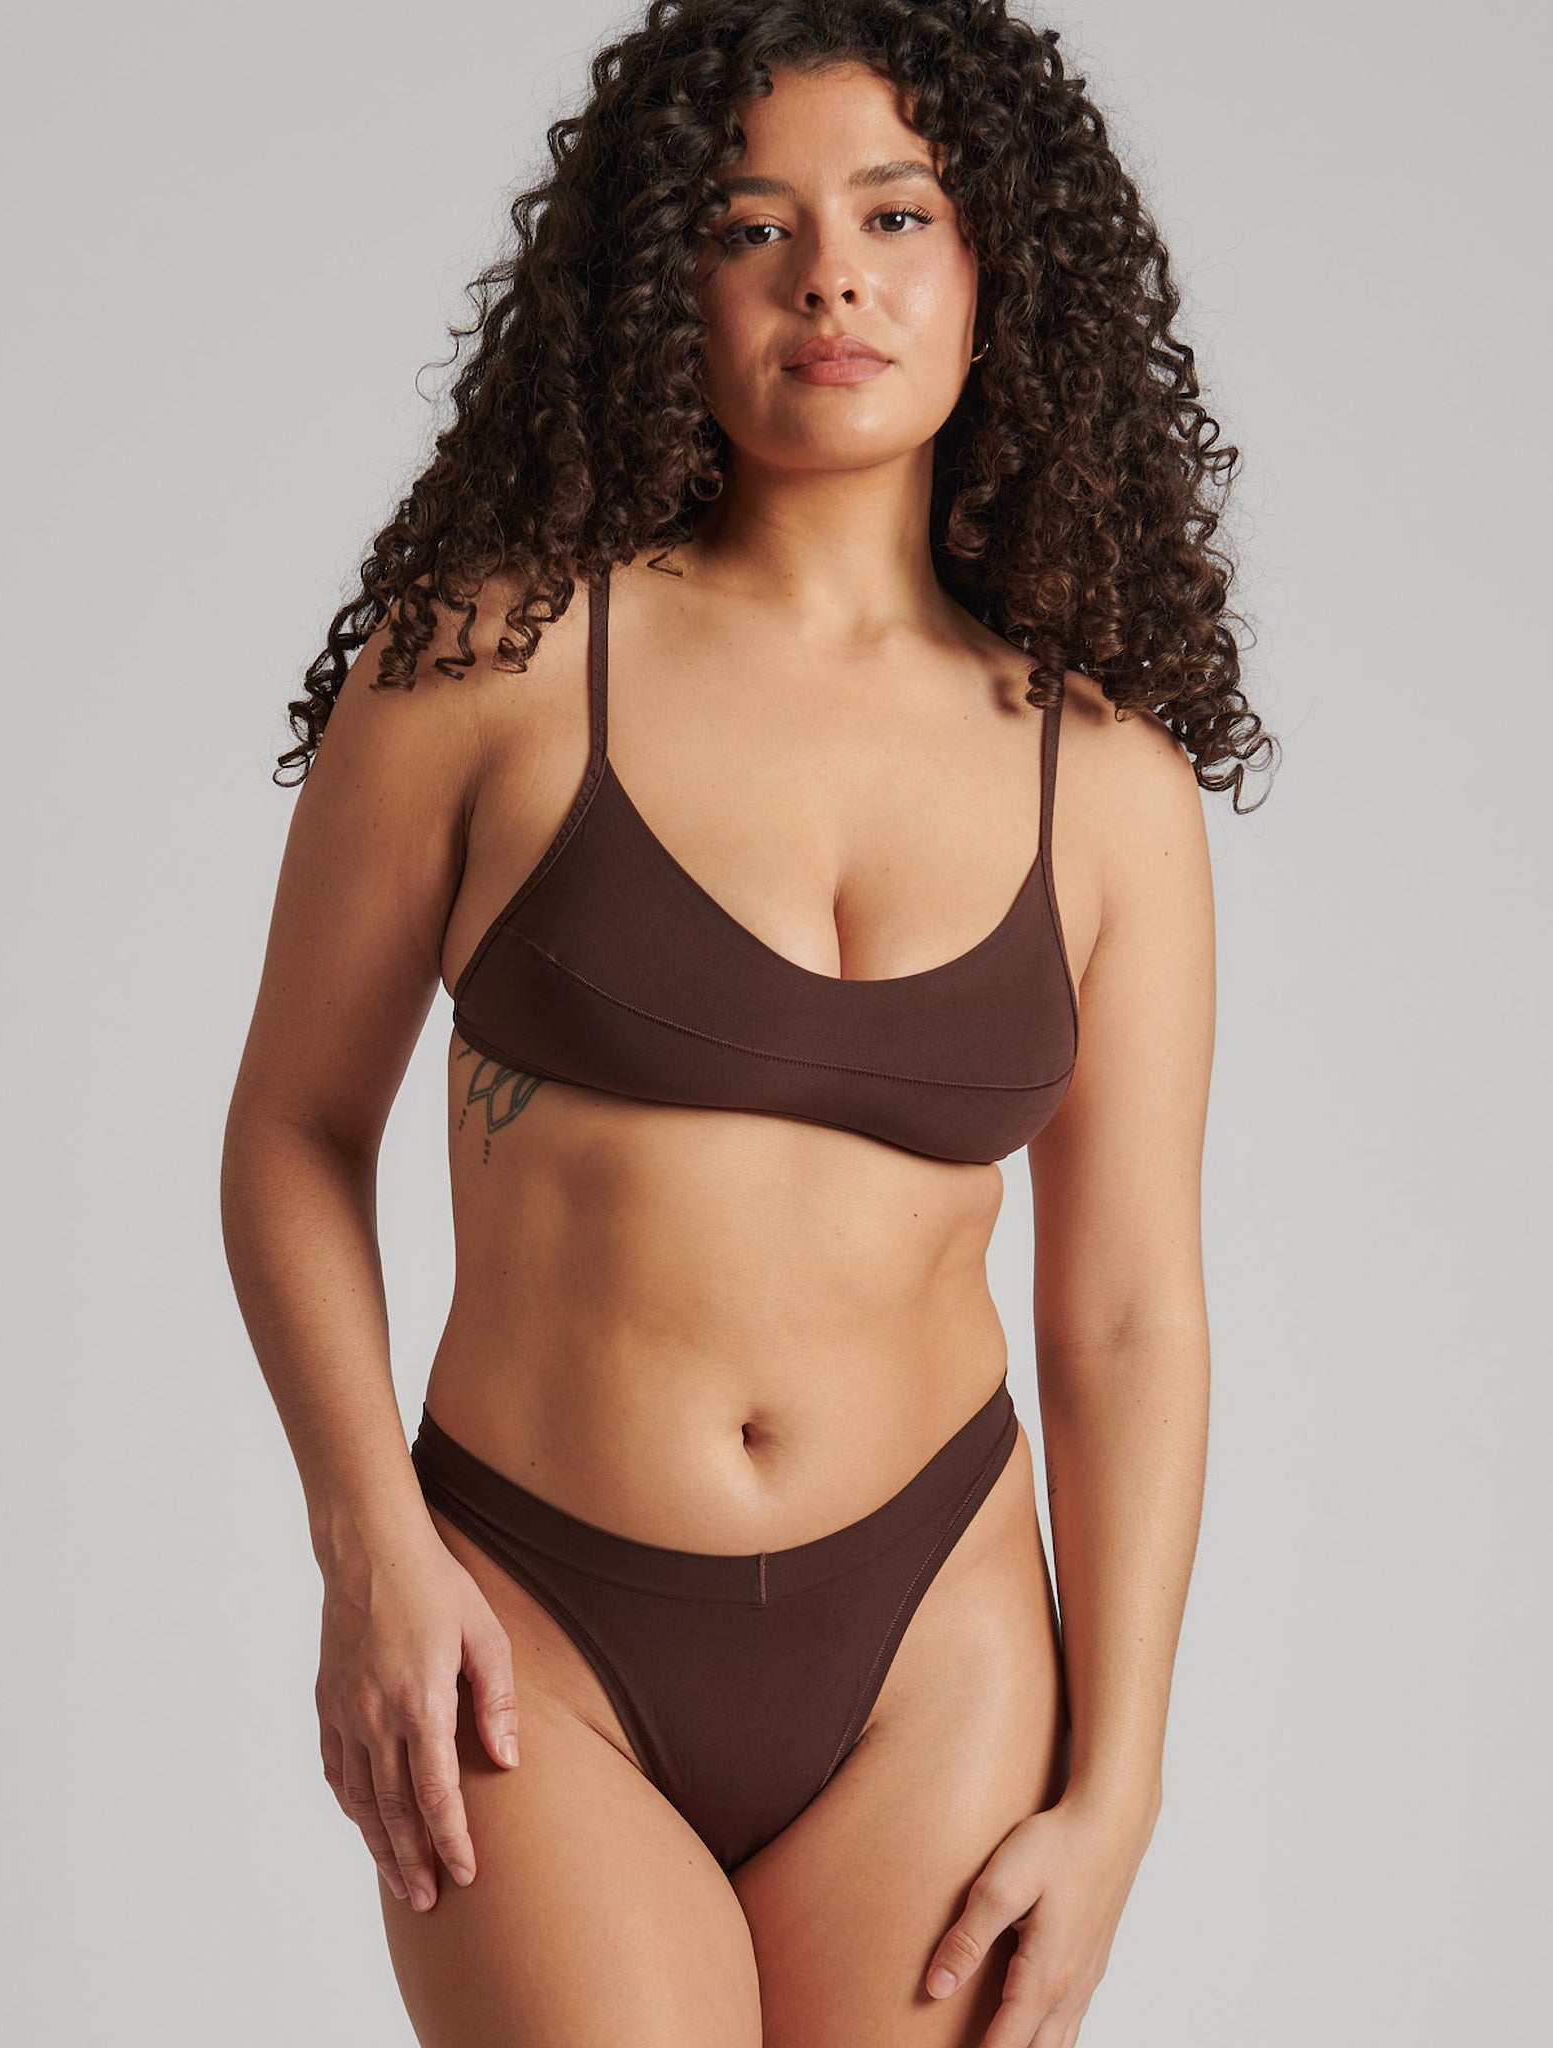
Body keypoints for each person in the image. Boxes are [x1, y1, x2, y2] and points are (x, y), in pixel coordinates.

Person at [221, 4, 1274, 2041]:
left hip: (937, 1647)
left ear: (999, 267)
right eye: (749, 224)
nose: (831, 279)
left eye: (897, 213)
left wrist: (1122, 1776)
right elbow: (290, 1130)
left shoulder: (1107, 781)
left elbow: (1131, 1311)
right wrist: (370, 1550)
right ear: (657, 285)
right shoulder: (490, 658)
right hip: (528, 1624)